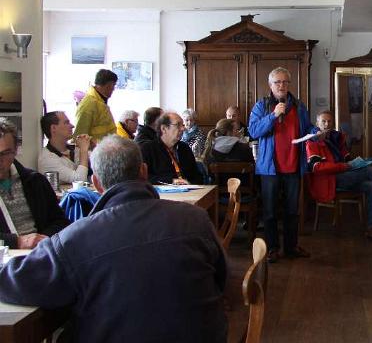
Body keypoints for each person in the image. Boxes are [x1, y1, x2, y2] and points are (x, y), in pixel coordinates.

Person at [0, 135, 227, 342]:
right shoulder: (196, 219)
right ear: (144, 171)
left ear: (96, 183)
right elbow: (221, 278)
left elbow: (15, 282)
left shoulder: (76, 240)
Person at [249, 67, 312, 263]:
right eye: (277, 82)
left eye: (285, 82)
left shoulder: (299, 106)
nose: (281, 85)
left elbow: (307, 128)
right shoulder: (261, 106)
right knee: (269, 211)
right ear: (270, 85)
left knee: (292, 211)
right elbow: (253, 131)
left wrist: (316, 132)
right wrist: (273, 115)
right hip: (270, 168)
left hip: (293, 166)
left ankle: (291, 247)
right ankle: (272, 249)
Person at [305, 110, 372, 239]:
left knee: (370, 185)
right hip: (328, 181)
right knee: (369, 171)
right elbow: (316, 167)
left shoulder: (336, 138)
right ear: (317, 123)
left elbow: (346, 159)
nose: (326, 124)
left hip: (343, 176)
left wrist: (355, 163)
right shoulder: (312, 142)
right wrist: (344, 166)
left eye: (329, 121)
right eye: (323, 121)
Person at [0, 117, 69, 249]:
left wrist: (42, 239)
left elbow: (60, 222)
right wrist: (17, 242)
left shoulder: (35, 181)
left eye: (5, 153)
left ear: (15, 150)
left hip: (40, 253)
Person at [140, 112, 202, 185]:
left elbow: (196, 176)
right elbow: (143, 177)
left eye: (182, 125)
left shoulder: (184, 147)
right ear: (164, 128)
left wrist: (191, 184)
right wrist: (171, 181)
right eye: (178, 125)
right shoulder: (147, 149)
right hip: (161, 191)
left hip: (190, 190)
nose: (183, 128)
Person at [38, 111, 91, 185]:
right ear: (53, 128)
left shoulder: (74, 149)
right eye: (66, 123)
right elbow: (79, 180)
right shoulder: (47, 158)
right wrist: (83, 150)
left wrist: (95, 147)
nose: (72, 126)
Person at [73, 69, 118, 143]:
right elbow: (79, 136)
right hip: (96, 149)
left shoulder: (100, 102)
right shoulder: (89, 104)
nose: (114, 89)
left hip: (105, 148)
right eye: (114, 85)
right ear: (108, 85)